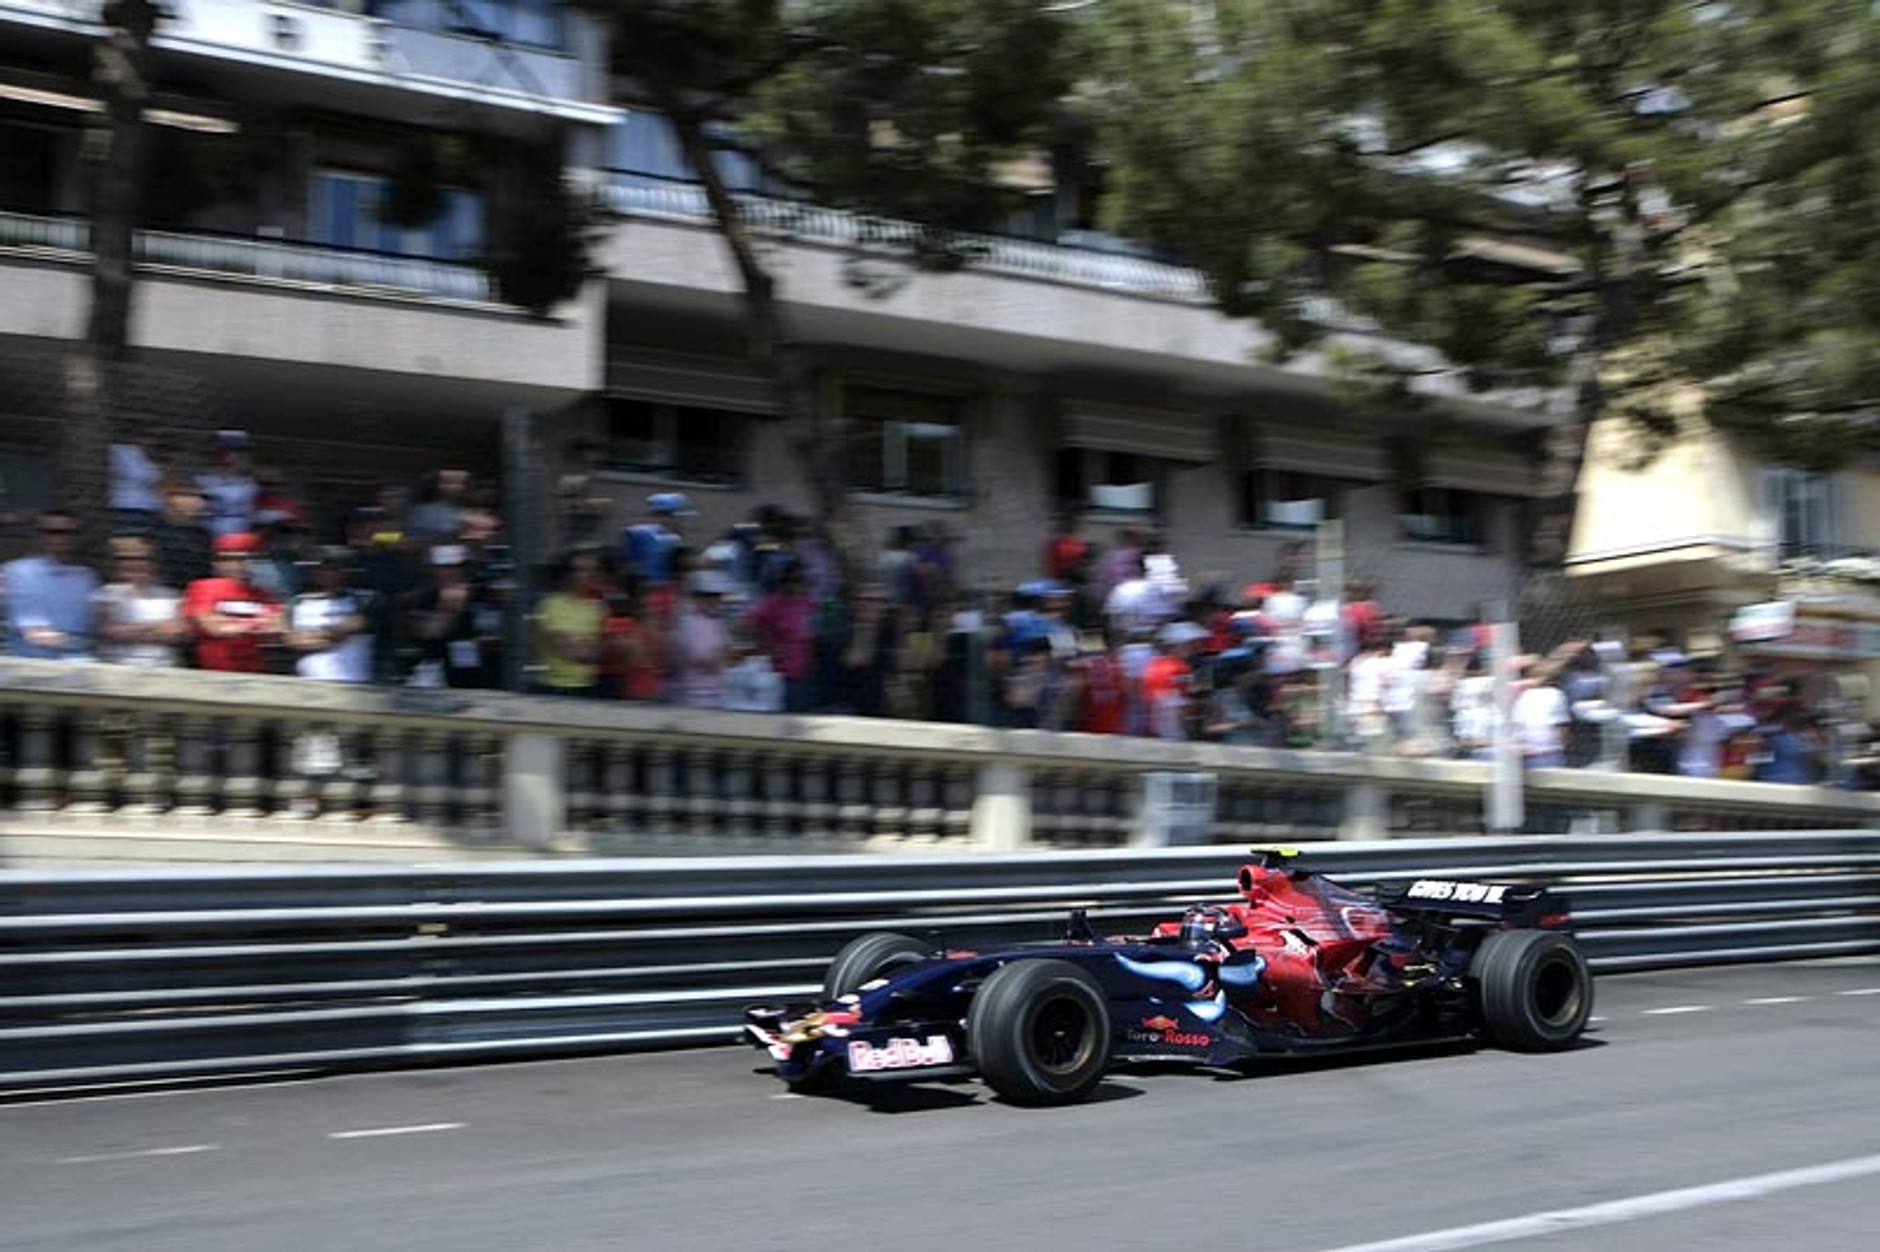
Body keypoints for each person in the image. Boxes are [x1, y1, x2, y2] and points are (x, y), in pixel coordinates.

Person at [4, 508, 98, 659]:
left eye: (68, 532)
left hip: (80, 661)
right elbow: (34, 634)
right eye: (52, 531)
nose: (60, 538)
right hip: (31, 663)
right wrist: (80, 643)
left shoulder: (87, 577)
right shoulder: (19, 572)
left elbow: (93, 626)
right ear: (40, 536)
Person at [183, 531, 283, 673]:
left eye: (245, 559)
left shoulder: (264, 594)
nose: (238, 565)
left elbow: (276, 630)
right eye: (230, 559)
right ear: (217, 562)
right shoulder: (204, 586)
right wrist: (257, 624)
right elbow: (214, 628)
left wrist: (232, 623)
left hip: (256, 674)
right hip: (213, 674)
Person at [409, 544, 502, 689]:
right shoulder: (427, 596)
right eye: (444, 566)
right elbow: (427, 632)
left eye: (456, 566)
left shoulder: (480, 593)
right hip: (442, 670)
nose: (450, 571)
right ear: (434, 569)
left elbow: (492, 626)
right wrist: (449, 608)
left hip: (483, 669)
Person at [93, 534, 186, 667]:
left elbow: (179, 633)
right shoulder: (106, 593)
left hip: (165, 671)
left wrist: (129, 630)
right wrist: (158, 627)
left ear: (154, 562)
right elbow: (109, 631)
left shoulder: (172, 595)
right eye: (125, 558)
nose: (134, 563)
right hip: (118, 669)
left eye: (142, 558)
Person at [285, 548, 374, 684]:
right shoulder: (297, 602)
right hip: (307, 683)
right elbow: (293, 640)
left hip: (352, 682)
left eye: (332, 568)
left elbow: (346, 629)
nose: (323, 573)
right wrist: (329, 634)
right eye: (320, 568)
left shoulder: (364, 599)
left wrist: (315, 636)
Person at [532, 550, 606, 696]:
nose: (592, 575)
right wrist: (601, 648)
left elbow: (602, 646)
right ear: (567, 575)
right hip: (557, 688)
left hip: (589, 685)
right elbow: (574, 653)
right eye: (584, 570)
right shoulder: (551, 606)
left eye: (595, 570)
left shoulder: (595, 607)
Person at [670, 568, 735, 708]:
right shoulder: (686, 622)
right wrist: (720, 659)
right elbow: (699, 657)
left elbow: (729, 648)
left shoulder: (718, 621)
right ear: (697, 597)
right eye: (709, 596)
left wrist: (723, 658)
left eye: (717, 596)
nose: (715, 600)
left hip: (717, 692)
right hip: (692, 695)